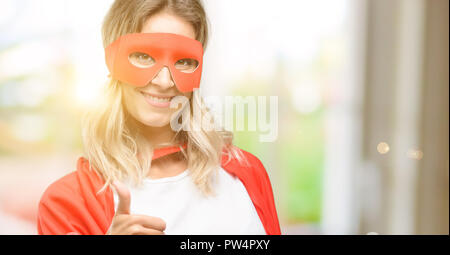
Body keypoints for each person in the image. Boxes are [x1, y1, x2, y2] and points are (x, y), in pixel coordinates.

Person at [37, 0, 280, 235]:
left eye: (184, 61)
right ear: (112, 57)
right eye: (144, 56)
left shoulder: (245, 174)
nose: (164, 82)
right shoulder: (66, 205)